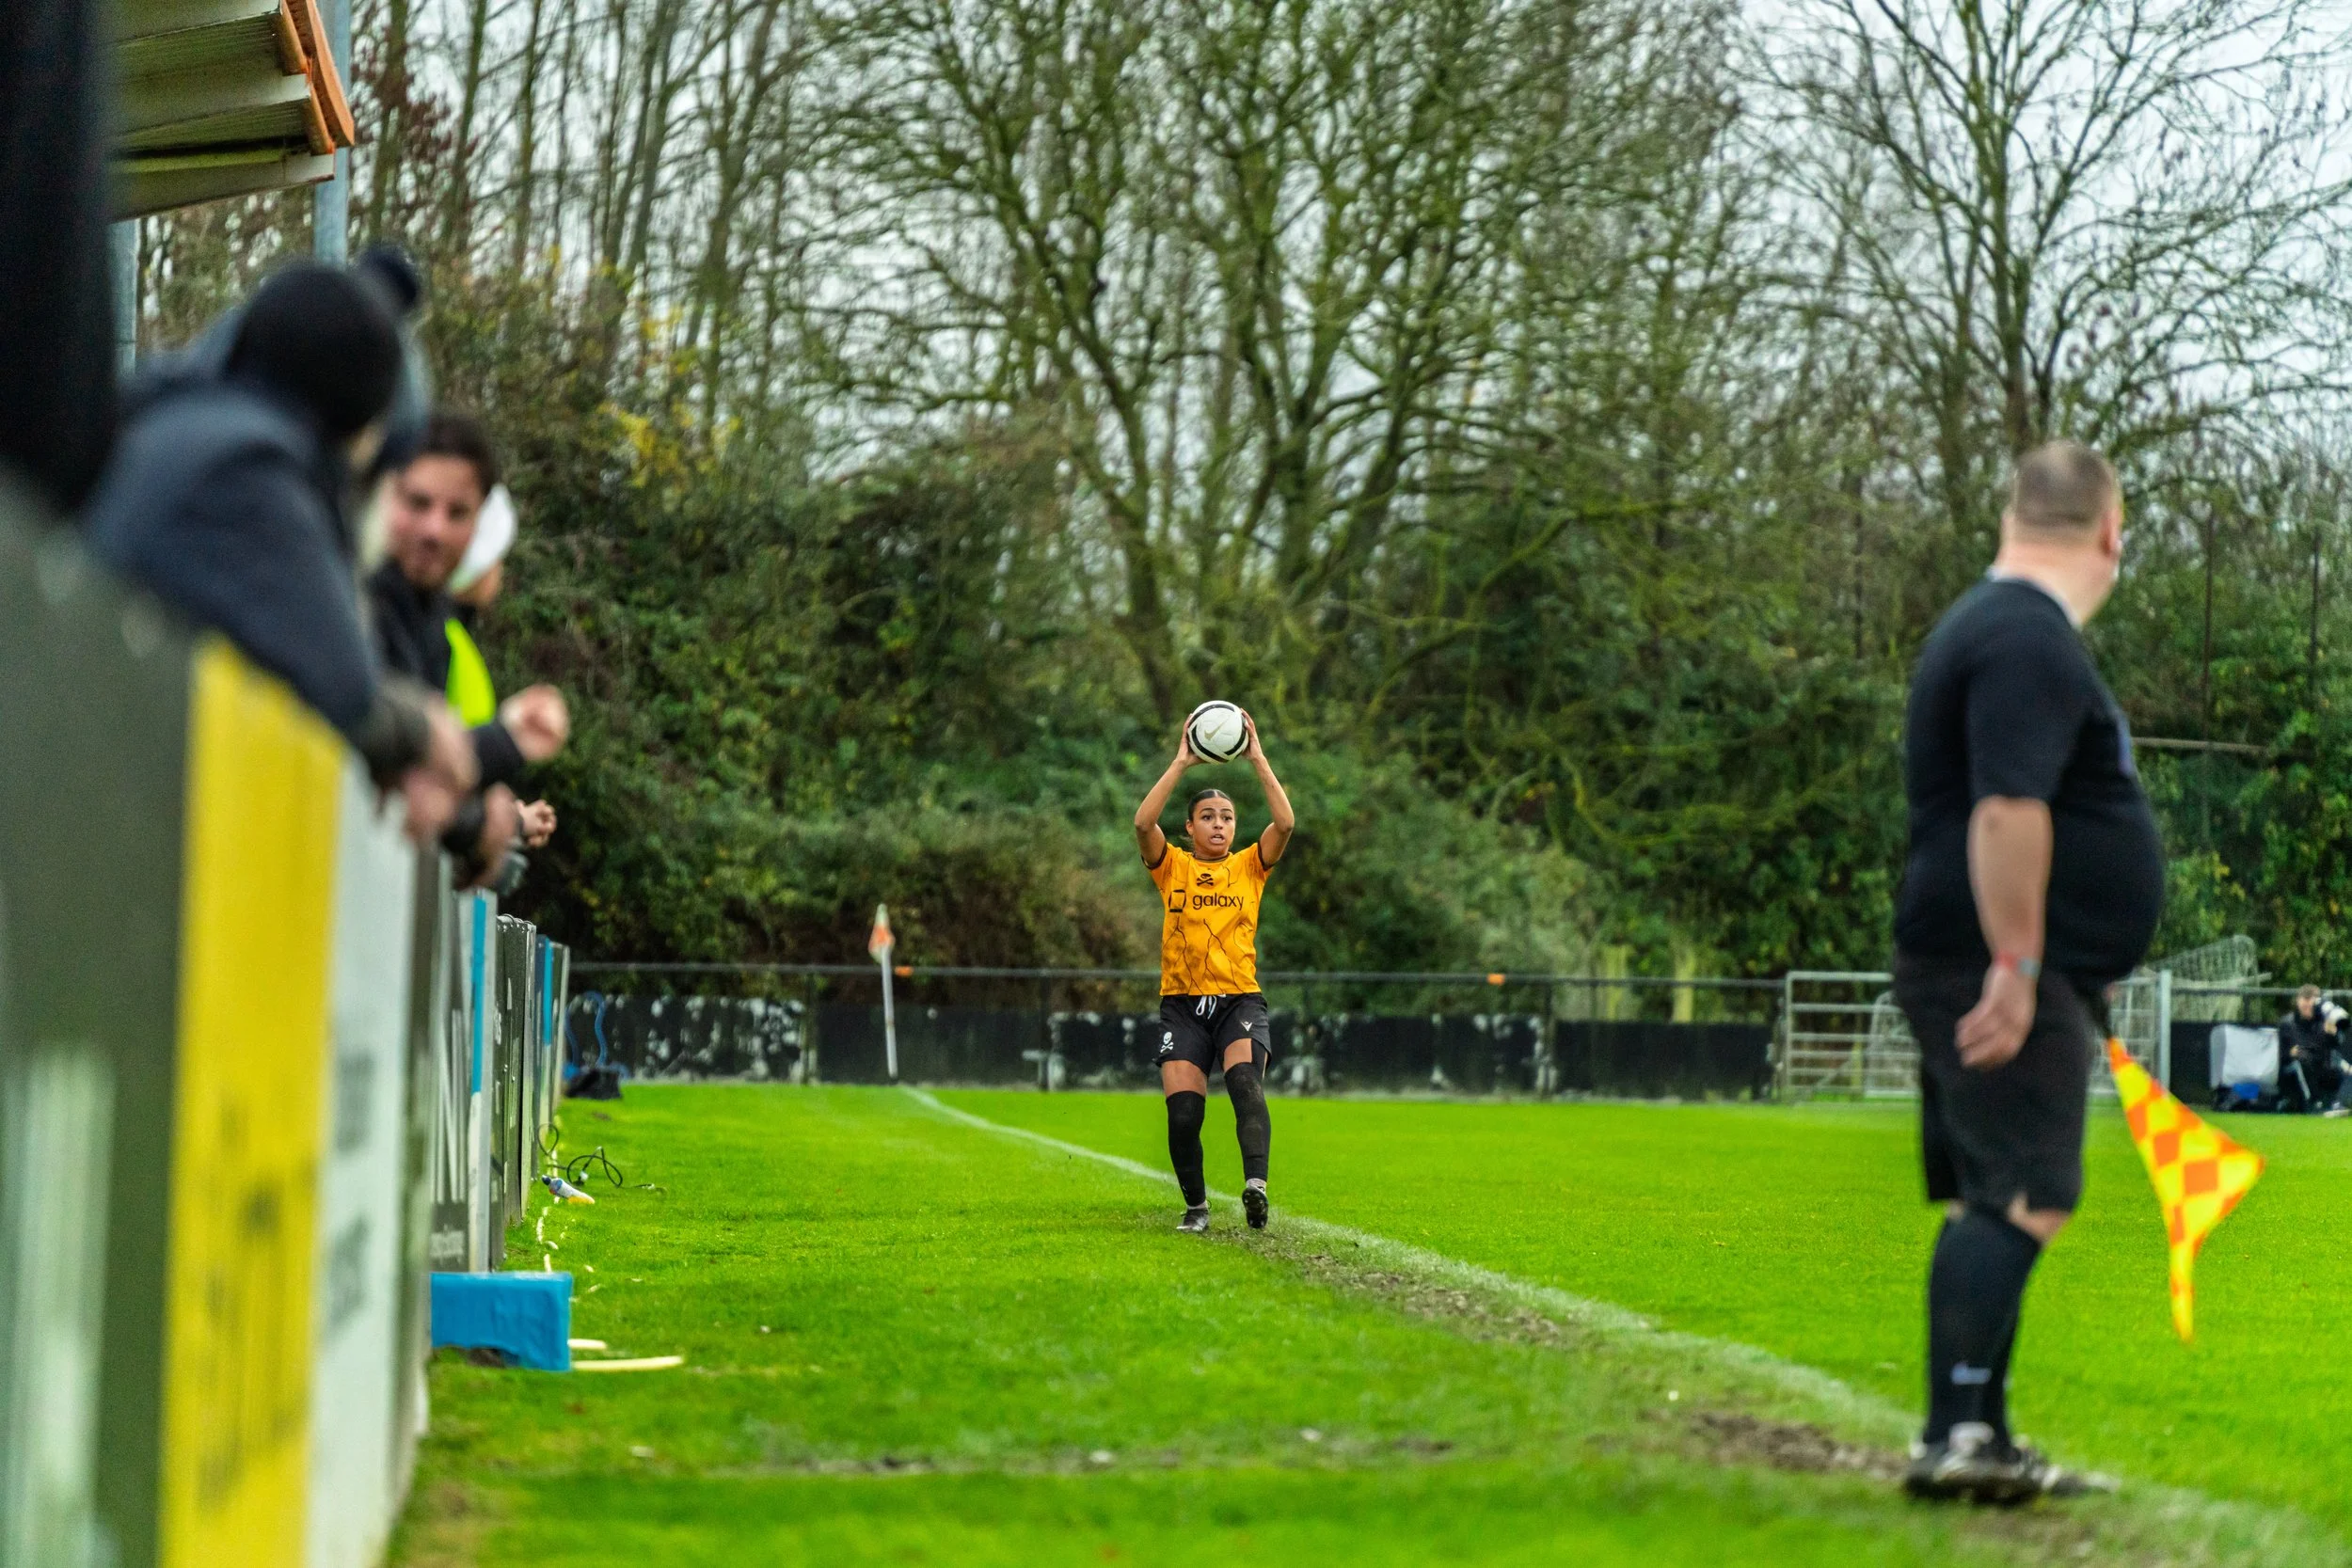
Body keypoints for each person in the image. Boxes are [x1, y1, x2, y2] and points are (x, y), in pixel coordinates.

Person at [1891, 442, 2158, 1503]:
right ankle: (1957, 1434)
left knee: (1994, 1194)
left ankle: (1977, 1431)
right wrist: (2014, 959)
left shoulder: (1989, 625)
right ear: (2109, 530)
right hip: (1992, 958)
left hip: (1977, 951)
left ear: (2010, 516)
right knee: (2025, 1192)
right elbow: (2007, 807)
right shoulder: (2023, 637)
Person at [83, 259, 475, 843]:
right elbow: (346, 687)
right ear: (363, 438)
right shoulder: (249, 472)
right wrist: (424, 730)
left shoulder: (179, 429)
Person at [370, 412, 571, 882]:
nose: (434, 529)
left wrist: (480, 814)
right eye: (417, 503)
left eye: (457, 513)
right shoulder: (359, 596)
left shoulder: (430, 621)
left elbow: (426, 769)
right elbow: (385, 757)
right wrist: (503, 749)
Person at [1131, 710, 1295, 1233]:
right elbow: (1141, 823)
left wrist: (1258, 758)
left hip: (1238, 1001)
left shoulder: (1250, 865)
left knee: (1246, 1083)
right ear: (1190, 826)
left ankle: (1256, 1187)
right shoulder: (1172, 865)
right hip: (1182, 1005)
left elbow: (1286, 823)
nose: (1219, 823)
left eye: (1226, 816)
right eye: (1208, 816)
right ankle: (1197, 1208)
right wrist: (1181, 761)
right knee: (1183, 1116)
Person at [2277, 986, 2348, 1116]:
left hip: (2320, 1063)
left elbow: (2337, 1045)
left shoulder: (2324, 1022)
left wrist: (2333, 1033)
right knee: (2302, 1061)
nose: (2308, 1006)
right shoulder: (2287, 1023)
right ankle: (2313, 1103)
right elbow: (2280, 1056)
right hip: (2295, 1068)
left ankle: (2335, 1102)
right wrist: (2290, 1053)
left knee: (2339, 1067)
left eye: (2312, 1002)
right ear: (2298, 1001)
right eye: (2305, 1001)